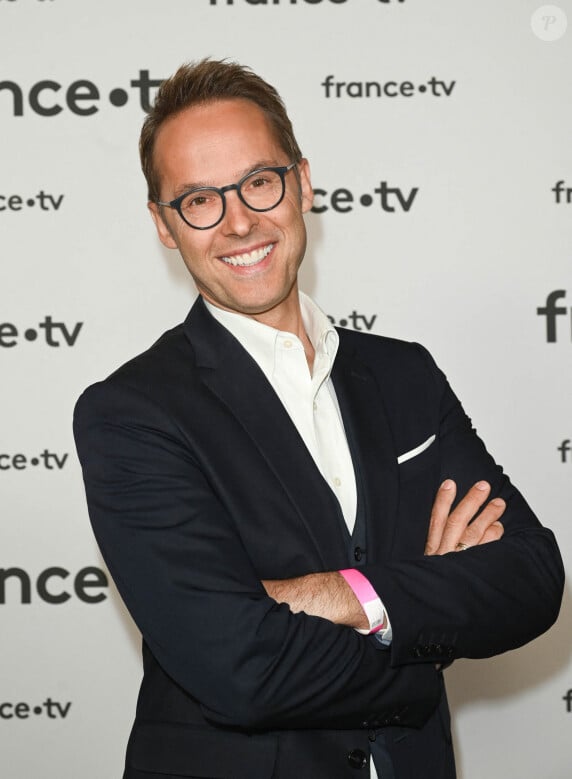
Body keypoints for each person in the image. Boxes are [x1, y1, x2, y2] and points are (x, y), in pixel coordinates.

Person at [73, 59, 564, 779]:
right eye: (199, 200)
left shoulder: (404, 374)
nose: (239, 220)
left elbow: (530, 575)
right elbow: (241, 667)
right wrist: (427, 633)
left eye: (258, 182)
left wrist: (340, 595)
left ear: (302, 182)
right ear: (165, 226)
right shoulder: (133, 413)